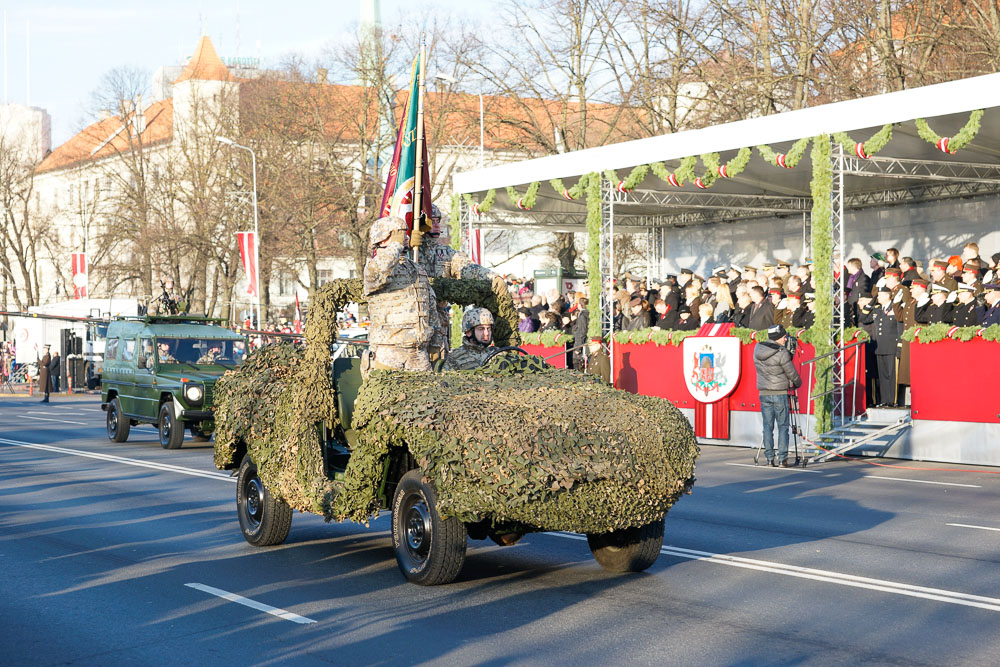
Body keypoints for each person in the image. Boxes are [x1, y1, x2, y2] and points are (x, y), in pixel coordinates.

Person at [416, 204, 503, 362]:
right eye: (432, 221)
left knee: (439, 364)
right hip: (412, 324)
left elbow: (467, 268)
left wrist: (492, 277)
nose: (437, 224)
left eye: (438, 220)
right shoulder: (410, 251)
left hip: (437, 324)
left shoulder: (445, 253)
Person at [362, 216, 435, 373]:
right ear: (382, 240)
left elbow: (430, 306)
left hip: (418, 354)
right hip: (389, 352)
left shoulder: (416, 269)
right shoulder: (374, 265)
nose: (404, 237)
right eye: (398, 234)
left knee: (425, 397)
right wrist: (394, 245)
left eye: (404, 233)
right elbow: (377, 275)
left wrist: (436, 343)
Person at [753, 325, 802, 467]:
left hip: (764, 392)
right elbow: (791, 373)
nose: (786, 338)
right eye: (784, 336)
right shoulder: (782, 352)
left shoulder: (758, 349)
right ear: (778, 337)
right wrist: (798, 383)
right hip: (779, 392)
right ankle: (782, 459)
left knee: (767, 426)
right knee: (783, 426)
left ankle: (769, 458)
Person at [860, 287, 902, 407]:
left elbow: (899, 327)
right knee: (883, 376)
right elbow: (863, 319)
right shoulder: (877, 310)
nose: (878, 298)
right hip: (880, 347)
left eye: (879, 296)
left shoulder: (895, 307)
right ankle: (884, 400)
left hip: (891, 346)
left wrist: (899, 345)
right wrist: (871, 303)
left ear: (887, 296)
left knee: (892, 375)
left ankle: (893, 400)